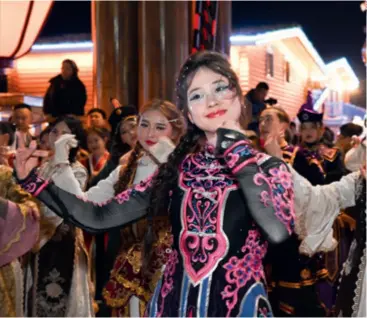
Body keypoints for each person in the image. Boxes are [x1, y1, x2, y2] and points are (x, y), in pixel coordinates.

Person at [15, 51, 295, 317]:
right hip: (171, 305)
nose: (209, 101)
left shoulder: (270, 168)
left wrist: (236, 151)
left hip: (238, 307)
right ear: (189, 112)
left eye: (219, 89)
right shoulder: (178, 171)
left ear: (238, 99)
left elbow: (278, 231)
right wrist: (33, 180)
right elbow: (97, 217)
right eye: (196, 95)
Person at [41, 99, 185, 316]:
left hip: (173, 272)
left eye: (160, 127)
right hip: (129, 273)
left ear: (175, 132)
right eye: (144, 125)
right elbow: (84, 205)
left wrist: (172, 161)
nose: (150, 133)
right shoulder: (124, 172)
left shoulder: (187, 169)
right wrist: (62, 162)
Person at [19, 116, 94, 317]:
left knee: (60, 297)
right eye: (54, 132)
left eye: (64, 132)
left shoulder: (77, 169)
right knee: (35, 294)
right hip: (39, 238)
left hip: (62, 238)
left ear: (75, 139)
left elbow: (74, 202)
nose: (57, 136)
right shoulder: (42, 167)